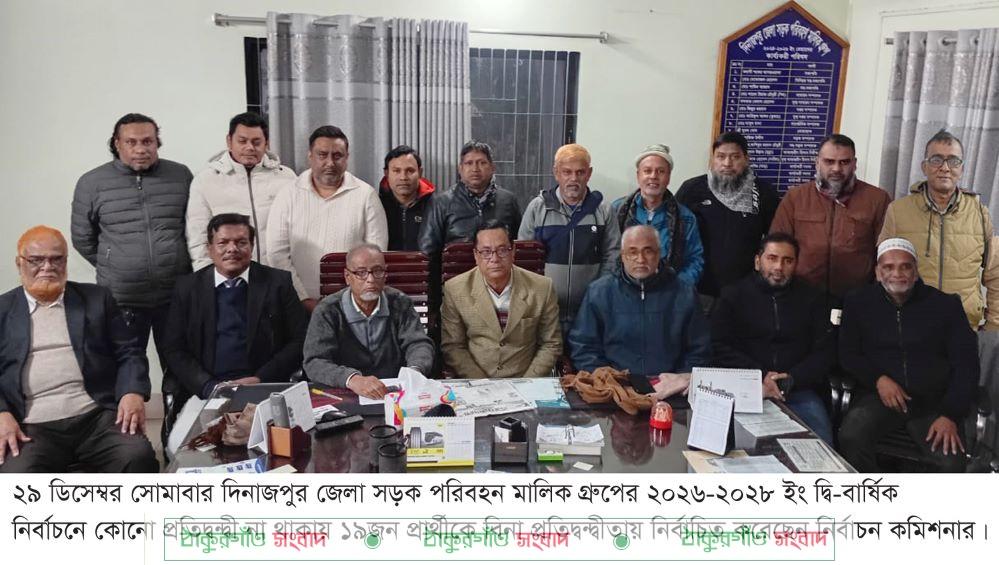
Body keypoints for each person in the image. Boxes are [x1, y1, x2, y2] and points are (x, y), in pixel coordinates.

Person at [0, 226, 157, 472]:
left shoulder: (97, 298)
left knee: (137, 456)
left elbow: (130, 352)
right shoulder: (3, 309)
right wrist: (1, 414)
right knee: (16, 476)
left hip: (95, 417)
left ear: (65, 262)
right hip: (31, 425)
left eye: (56, 259)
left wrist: (132, 392)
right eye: (36, 260)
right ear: (19, 263)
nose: (47, 267)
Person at [838, 238, 979, 472]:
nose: (897, 274)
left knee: (950, 462)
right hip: (880, 398)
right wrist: (878, 379)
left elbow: (967, 366)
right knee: (850, 437)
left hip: (934, 402)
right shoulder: (858, 302)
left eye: (905, 266)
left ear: (916, 271)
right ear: (877, 272)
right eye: (889, 267)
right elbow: (848, 354)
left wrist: (950, 415)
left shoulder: (946, 305)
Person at [71, 112, 193, 369]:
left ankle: (176, 398)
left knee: (180, 366)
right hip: (122, 298)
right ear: (117, 144)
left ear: (157, 142)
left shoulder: (180, 175)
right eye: (131, 142)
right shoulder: (92, 183)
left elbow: (194, 227)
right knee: (127, 368)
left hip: (175, 294)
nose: (140, 149)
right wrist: (115, 263)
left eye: (148, 141)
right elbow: (82, 238)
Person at [163, 214, 308, 413]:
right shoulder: (187, 288)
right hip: (205, 392)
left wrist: (260, 379)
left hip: (263, 389)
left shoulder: (277, 283)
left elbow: (300, 340)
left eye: (241, 242)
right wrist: (209, 386)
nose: (232, 249)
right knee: (199, 433)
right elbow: (174, 349)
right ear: (209, 248)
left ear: (252, 246)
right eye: (223, 242)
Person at [710, 233, 835, 443]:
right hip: (746, 387)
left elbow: (825, 352)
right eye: (772, 258)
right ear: (757, 261)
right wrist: (760, 375)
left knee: (822, 448)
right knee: (728, 445)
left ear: (796, 264)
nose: (779, 267)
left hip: (798, 391)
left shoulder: (813, 298)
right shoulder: (733, 295)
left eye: (788, 261)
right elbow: (718, 345)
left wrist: (792, 378)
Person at [878, 129, 999, 330]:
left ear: (962, 168)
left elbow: (995, 273)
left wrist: (994, 327)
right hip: (910, 326)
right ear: (924, 167)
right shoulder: (898, 211)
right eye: (936, 160)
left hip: (963, 326)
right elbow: (883, 272)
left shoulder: (979, 212)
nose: (945, 168)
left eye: (953, 161)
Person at [569, 225, 711, 396]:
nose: (640, 259)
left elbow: (699, 348)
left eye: (648, 251)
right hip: (614, 391)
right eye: (632, 252)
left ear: (659, 254)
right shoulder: (599, 292)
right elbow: (583, 346)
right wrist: (607, 381)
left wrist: (682, 379)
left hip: (672, 390)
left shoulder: (684, 293)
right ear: (622, 256)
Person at [266, 125, 388, 311]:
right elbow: (277, 255)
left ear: (347, 158)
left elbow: (376, 256)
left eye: (337, 156)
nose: (330, 163)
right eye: (322, 155)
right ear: (310, 156)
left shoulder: (366, 196)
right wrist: (303, 299)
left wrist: (351, 301)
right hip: (296, 305)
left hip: (353, 306)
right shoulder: (288, 195)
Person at [770, 133, 892, 302]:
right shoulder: (795, 197)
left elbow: (886, 252)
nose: (836, 169)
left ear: (854, 164)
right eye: (829, 161)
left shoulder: (877, 199)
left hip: (857, 298)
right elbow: (777, 246)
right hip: (801, 296)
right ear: (817, 162)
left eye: (844, 162)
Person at [303, 244, 434, 399]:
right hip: (346, 393)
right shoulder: (327, 310)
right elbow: (315, 362)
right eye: (361, 273)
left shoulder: (400, 302)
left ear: (385, 274)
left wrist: (415, 370)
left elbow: (418, 344)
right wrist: (352, 379)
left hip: (394, 392)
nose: (370, 280)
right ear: (347, 276)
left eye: (377, 271)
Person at [518, 143, 620, 331]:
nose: (574, 179)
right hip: (544, 312)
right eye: (567, 172)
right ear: (556, 173)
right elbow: (524, 260)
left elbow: (612, 256)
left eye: (580, 172)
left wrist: (598, 294)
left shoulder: (604, 210)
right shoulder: (537, 208)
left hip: (589, 312)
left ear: (589, 174)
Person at [441, 220, 562, 378]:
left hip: (526, 379)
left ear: (513, 252)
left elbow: (551, 344)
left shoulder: (542, 288)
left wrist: (527, 383)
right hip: (477, 381)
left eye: (502, 250)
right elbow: (453, 347)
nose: (495, 258)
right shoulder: (455, 289)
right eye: (486, 252)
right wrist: (482, 384)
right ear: (476, 255)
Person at [676, 131, 780, 306]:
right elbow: (674, 235)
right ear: (712, 159)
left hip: (747, 292)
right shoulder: (692, 189)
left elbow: (775, 240)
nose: (727, 163)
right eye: (721, 156)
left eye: (735, 157)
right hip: (698, 291)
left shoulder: (764, 193)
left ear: (746, 159)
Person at [186, 112, 296, 269]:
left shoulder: (287, 177)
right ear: (229, 141)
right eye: (242, 141)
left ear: (266, 143)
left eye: (256, 142)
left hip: (278, 273)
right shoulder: (205, 180)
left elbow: (297, 232)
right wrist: (207, 276)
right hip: (230, 275)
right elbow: (198, 238)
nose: (249, 147)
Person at [613, 144, 704, 287]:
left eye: (661, 171)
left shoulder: (685, 218)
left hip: (669, 292)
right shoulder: (616, 210)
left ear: (668, 177)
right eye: (647, 171)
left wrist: (675, 288)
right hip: (622, 291)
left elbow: (695, 260)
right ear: (638, 175)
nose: (653, 176)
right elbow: (608, 254)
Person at [417, 141, 522, 258]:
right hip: (456, 268)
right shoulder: (441, 203)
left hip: (497, 267)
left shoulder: (508, 200)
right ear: (460, 168)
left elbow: (518, 245)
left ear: (493, 168)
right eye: (469, 163)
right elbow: (428, 252)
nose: (475, 169)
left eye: (482, 163)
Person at [378, 145, 435, 252]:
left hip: (426, 263)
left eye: (410, 171)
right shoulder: (376, 204)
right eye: (396, 171)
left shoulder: (437, 206)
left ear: (420, 172)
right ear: (386, 173)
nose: (403, 177)